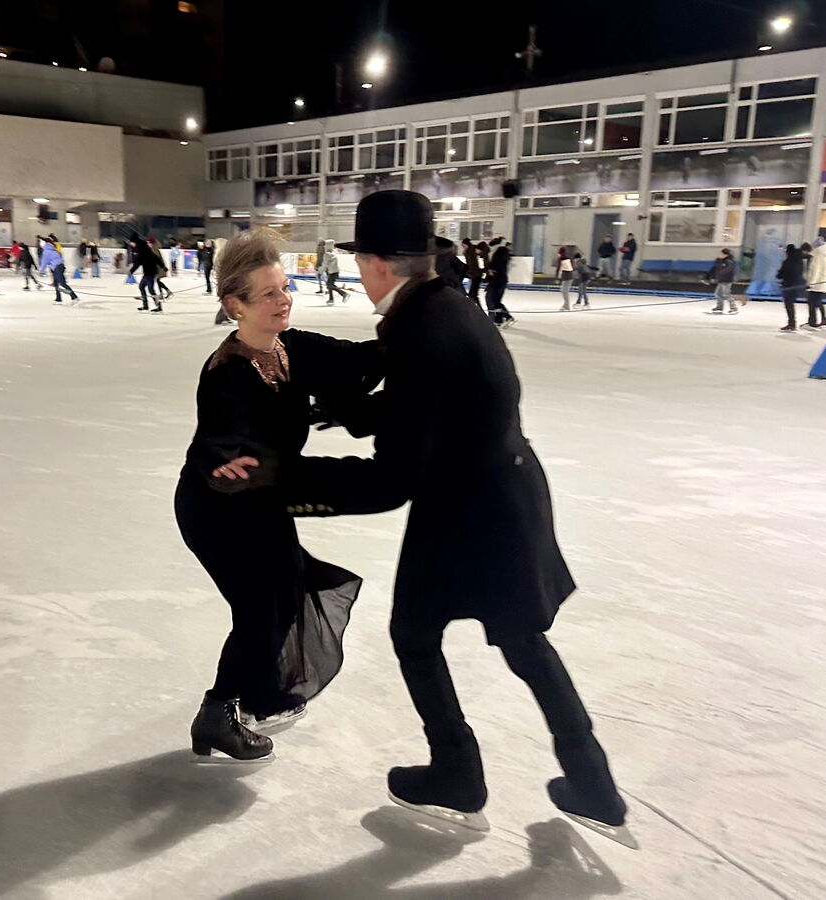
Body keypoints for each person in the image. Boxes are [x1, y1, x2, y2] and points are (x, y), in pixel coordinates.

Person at [261, 190, 626, 834]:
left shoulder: (422, 329)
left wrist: (283, 487)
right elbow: (436, 402)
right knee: (521, 640)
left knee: (415, 636)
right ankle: (593, 782)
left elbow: (389, 482)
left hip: (465, 512)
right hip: (503, 496)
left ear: (376, 264)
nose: (359, 273)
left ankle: (457, 772)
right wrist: (352, 412)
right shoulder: (446, 306)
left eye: (360, 261)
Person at [176, 228, 377, 762]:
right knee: (261, 608)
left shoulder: (293, 347)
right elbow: (222, 449)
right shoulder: (226, 373)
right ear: (234, 306)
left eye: (284, 288)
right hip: (217, 510)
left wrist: (416, 337)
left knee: (282, 600)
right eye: (268, 294)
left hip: (263, 503)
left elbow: (359, 360)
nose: (283, 300)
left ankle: (251, 699)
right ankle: (219, 714)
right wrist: (225, 460)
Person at [484, 237, 514, 327]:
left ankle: (507, 316)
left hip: (497, 280)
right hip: (501, 280)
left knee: (494, 300)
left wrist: (492, 270)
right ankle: (498, 320)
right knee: (496, 300)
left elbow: (495, 266)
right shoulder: (504, 253)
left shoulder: (498, 253)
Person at [39, 237, 78, 304]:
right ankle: (58, 299)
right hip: (58, 266)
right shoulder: (52, 249)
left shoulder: (46, 251)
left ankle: (74, 297)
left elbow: (44, 262)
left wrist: (41, 271)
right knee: (56, 284)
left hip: (57, 268)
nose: (40, 244)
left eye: (41, 242)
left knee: (62, 283)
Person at [776, 244, 805, 333]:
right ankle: (792, 323)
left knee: (789, 305)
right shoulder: (800, 261)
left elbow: (781, 274)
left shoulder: (788, 261)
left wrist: (779, 273)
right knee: (791, 304)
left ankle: (791, 323)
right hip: (797, 285)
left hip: (788, 285)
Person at [805, 236, 826, 329]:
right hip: (822, 283)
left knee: (811, 302)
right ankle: (824, 319)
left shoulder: (818, 255)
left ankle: (812, 322)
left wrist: (811, 283)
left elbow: (816, 270)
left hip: (816, 284)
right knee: (818, 301)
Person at [129, 238, 162, 311]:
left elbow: (138, 262)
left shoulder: (144, 251)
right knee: (141, 286)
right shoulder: (144, 250)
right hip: (148, 272)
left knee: (150, 289)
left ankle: (158, 306)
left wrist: (131, 270)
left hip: (150, 272)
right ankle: (145, 305)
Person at [704, 248, 738, 315]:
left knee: (726, 294)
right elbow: (714, 269)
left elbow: (728, 270)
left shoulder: (729, 262)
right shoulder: (719, 261)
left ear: (726, 255)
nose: (719, 254)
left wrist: (718, 275)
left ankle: (733, 308)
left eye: (721, 253)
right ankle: (720, 307)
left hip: (727, 280)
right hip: (721, 280)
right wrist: (708, 276)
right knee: (718, 293)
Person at [323, 239, 348, 305]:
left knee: (329, 285)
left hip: (332, 272)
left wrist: (320, 270)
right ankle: (331, 299)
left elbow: (325, 264)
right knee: (330, 285)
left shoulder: (327, 254)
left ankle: (344, 294)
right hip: (333, 272)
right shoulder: (332, 253)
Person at [462, 237, 484, 311]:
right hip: (475, 274)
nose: (463, 247)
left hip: (476, 274)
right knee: (472, 294)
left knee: (473, 294)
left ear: (466, 244)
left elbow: (471, 263)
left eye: (463, 245)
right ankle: (475, 309)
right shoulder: (469, 250)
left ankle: (478, 310)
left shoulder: (472, 249)